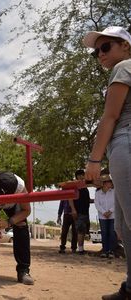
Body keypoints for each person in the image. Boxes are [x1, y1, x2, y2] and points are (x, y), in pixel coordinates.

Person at [83, 25, 131, 299]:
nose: (100, 54)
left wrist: (94, 160)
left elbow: (110, 118)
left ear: (125, 45)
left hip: (125, 139)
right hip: (122, 145)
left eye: (105, 47)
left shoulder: (124, 67)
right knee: (124, 228)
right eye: (96, 52)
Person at [68, 169, 92, 255]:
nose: (82, 177)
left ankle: (81, 248)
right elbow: (70, 198)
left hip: (86, 212)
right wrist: (73, 210)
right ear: (77, 176)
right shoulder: (75, 186)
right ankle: (80, 250)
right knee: (80, 231)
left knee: (84, 230)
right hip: (79, 212)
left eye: (83, 175)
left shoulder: (85, 187)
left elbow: (87, 200)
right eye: (81, 175)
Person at [95, 173, 117, 258]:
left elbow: (116, 203)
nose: (111, 183)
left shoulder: (114, 192)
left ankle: (111, 251)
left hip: (113, 216)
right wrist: (104, 212)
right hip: (102, 217)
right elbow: (97, 204)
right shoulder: (98, 193)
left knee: (112, 233)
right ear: (104, 183)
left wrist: (110, 211)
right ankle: (104, 251)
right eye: (109, 182)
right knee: (104, 233)